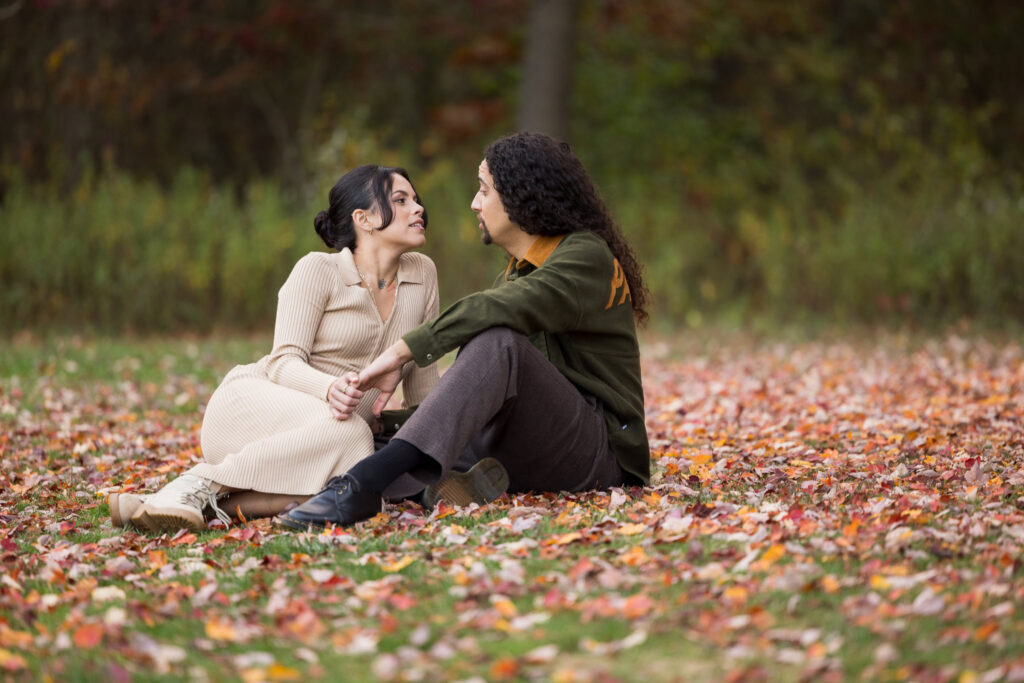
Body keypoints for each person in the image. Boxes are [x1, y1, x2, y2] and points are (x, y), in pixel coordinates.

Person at [279, 131, 651, 531]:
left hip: (599, 454)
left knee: (496, 341)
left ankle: (362, 487)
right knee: (384, 438)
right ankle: (422, 487)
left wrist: (402, 351)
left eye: (484, 190)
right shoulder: (519, 270)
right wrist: (379, 423)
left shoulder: (585, 255)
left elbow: (502, 310)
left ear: (520, 196)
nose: (475, 203)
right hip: (537, 441)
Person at [108, 165, 443, 533]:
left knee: (353, 481)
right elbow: (284, 361)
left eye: (416, 199)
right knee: (354, 439)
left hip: (328, 440)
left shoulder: (422, 274)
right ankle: (197, 481)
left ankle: (172, 504)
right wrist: (328, 389)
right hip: (254, 411)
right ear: (363, 218)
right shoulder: (318, 269)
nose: (418, 209)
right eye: (400, 200)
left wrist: (448, 445)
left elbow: (423, 384)